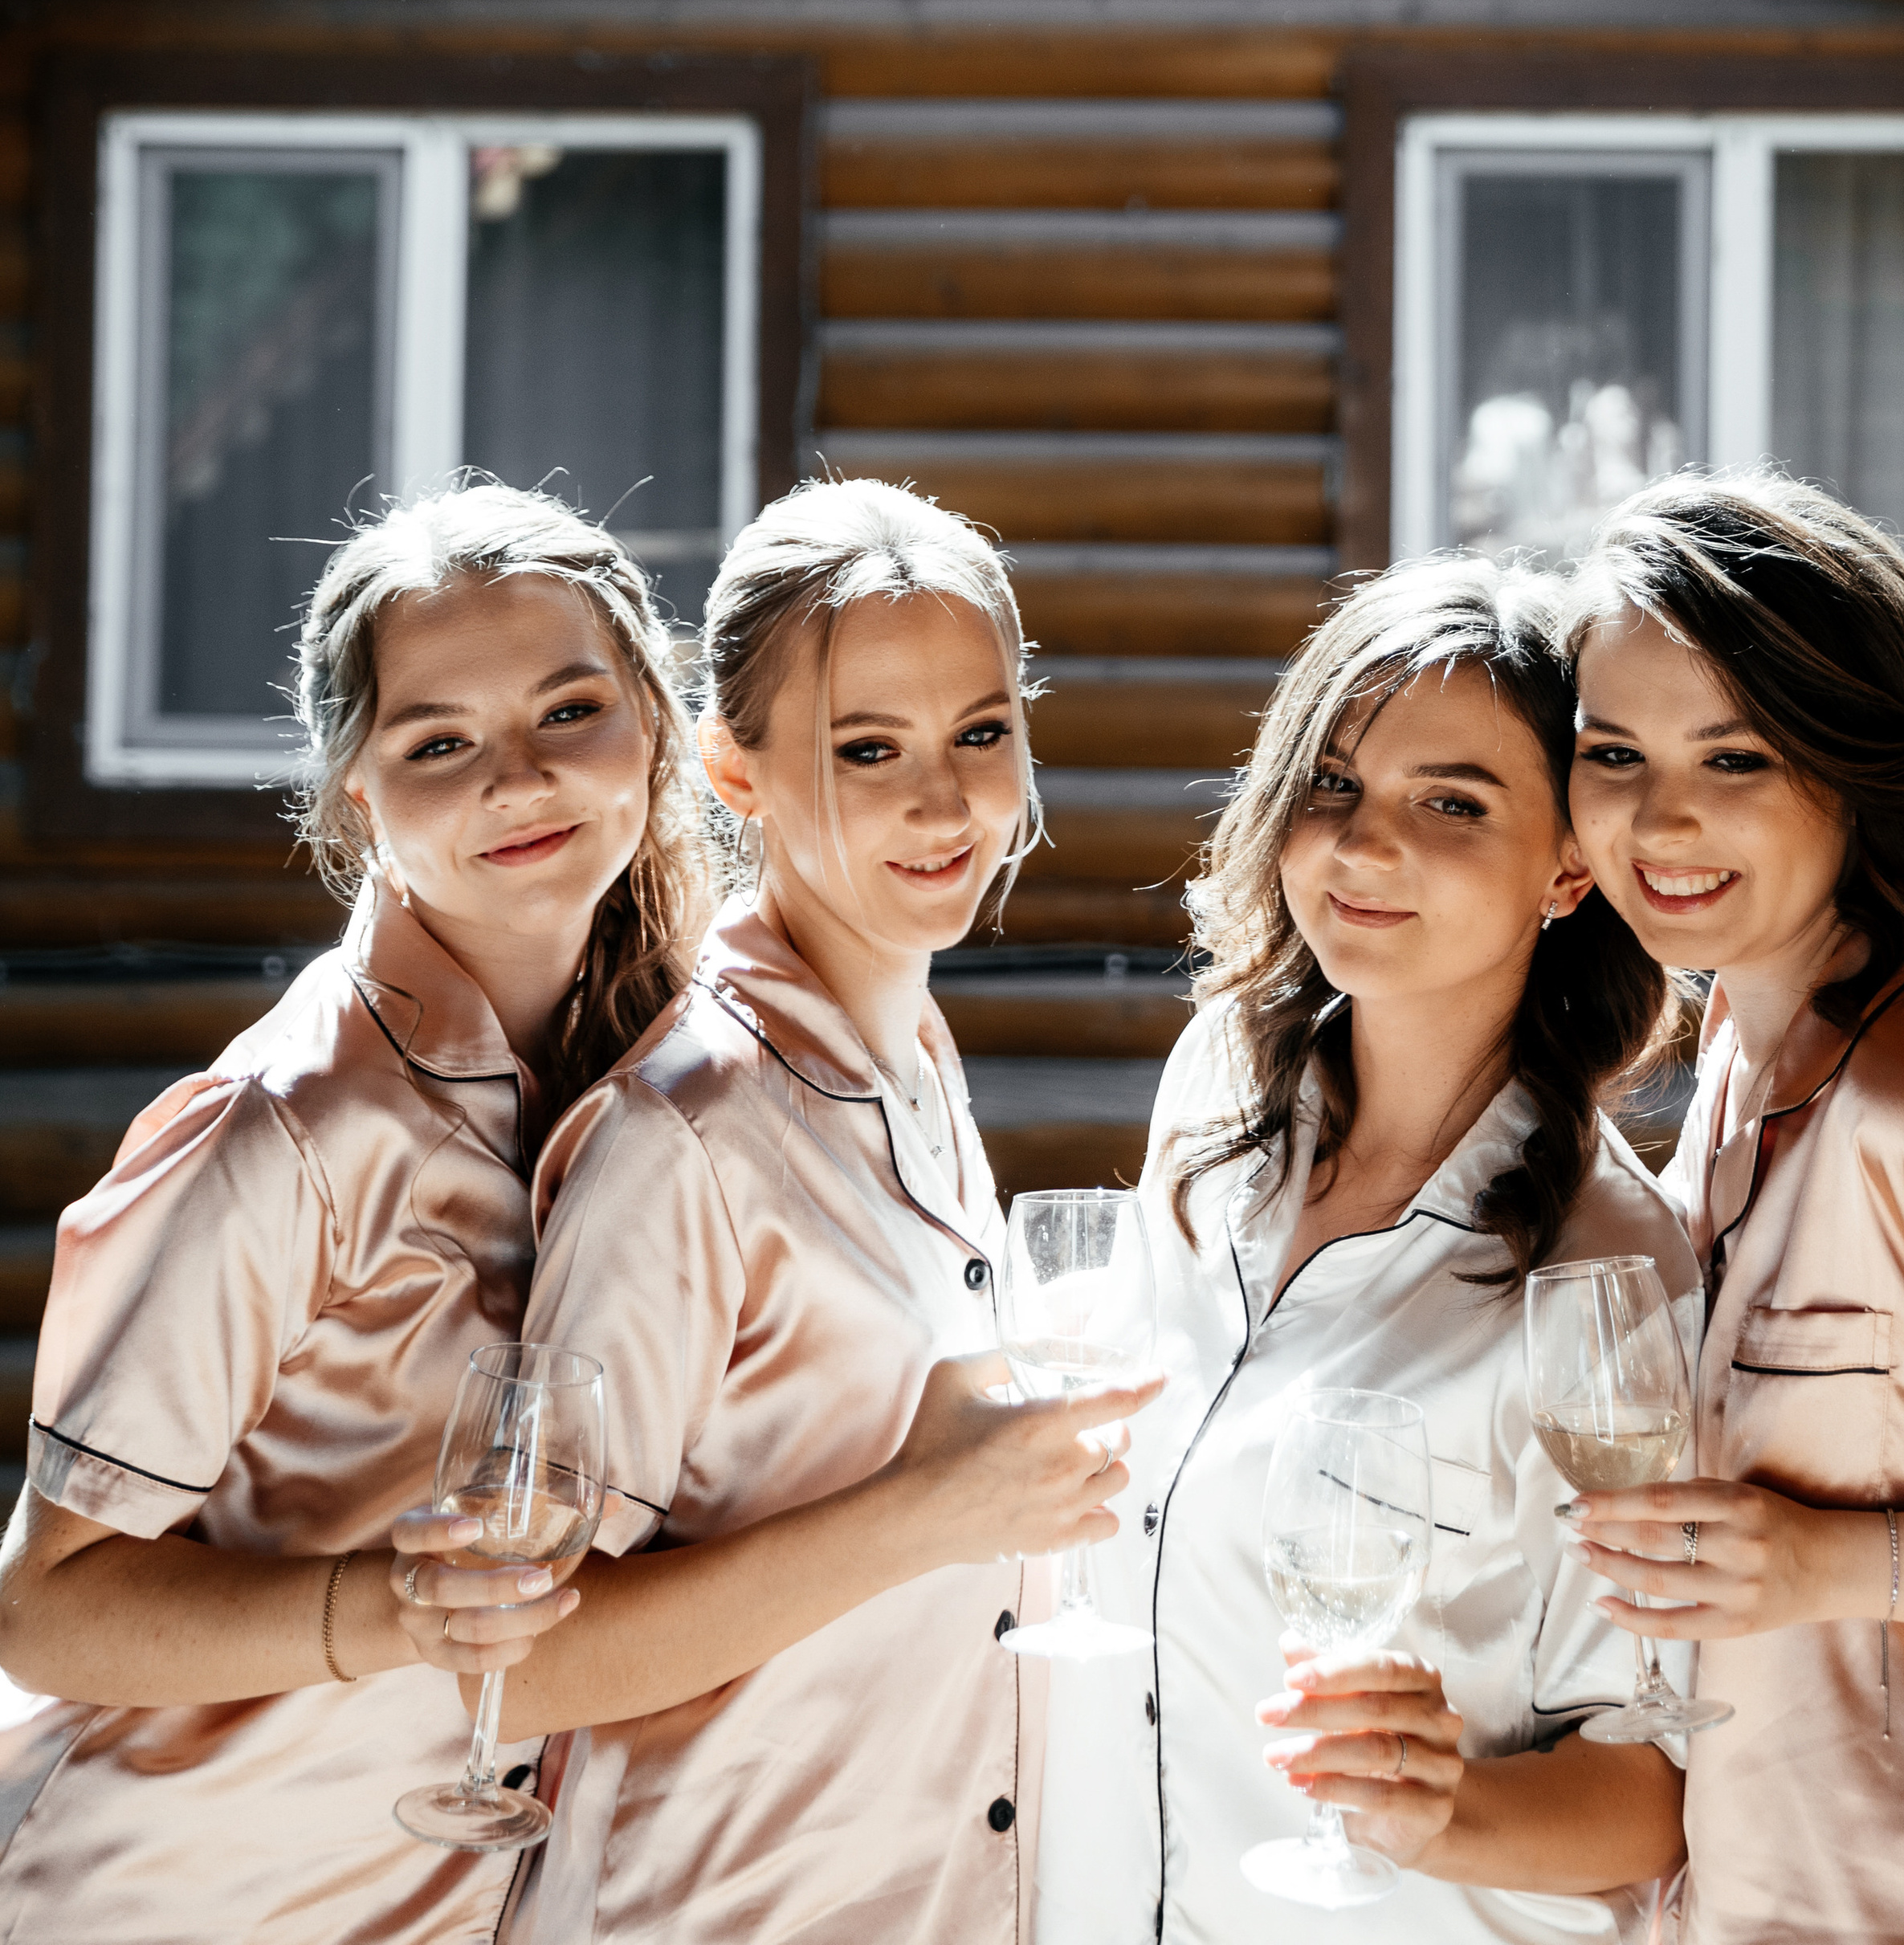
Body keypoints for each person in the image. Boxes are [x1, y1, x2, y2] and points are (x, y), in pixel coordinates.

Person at [0, 480, 712, 1944]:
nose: (518, 780)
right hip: (165, 1899)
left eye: (569, 712)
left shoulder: (652, 1071)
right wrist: (390, 1609)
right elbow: (45, 1607)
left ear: (656, 720)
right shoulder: (286, 1136)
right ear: (357, 795)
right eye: (439, 743)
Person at [490, 477, 1157, 1945]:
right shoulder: (687, 1137)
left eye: (983, 734)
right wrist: (931, 1511)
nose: (946, 802)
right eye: (870, 749)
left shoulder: (911, 1051)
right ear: (735, 775)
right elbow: (516, 1667)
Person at [1036, 555, 1701, 1945]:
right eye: (1329, 787)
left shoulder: (1609, 1273)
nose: (1360, 843)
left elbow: (1653, 1793)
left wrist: (1439, 1807)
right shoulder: (1217, 1084)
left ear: (1570, 864)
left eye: (1450, 802)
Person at [1560, 470, 1904, 1945]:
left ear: (1853, 762)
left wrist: (1839, 1563)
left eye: (1738, 760)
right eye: (1613, 754)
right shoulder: (1735, 1051)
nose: (1662, 819)